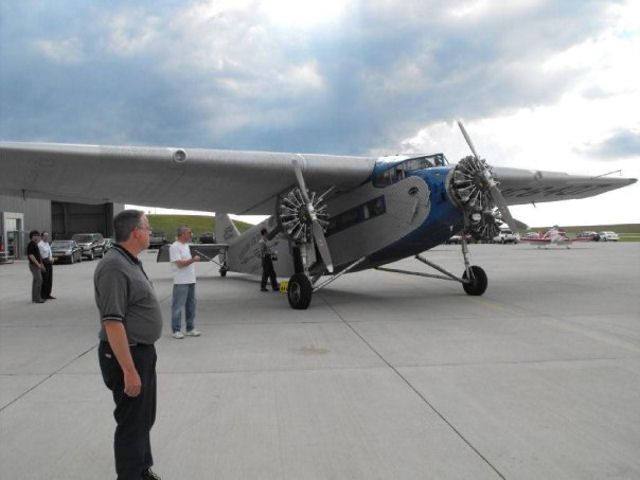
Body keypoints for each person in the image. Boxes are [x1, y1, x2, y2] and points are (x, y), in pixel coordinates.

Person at [94, 210, 163, 480]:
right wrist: (129, 370)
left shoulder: (129, 261)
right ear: (135, 232)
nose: (150, 232)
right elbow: (112, 322)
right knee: (132, 423)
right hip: (127, 355)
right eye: (147, 227)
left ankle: (142, 470)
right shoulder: (113, 266)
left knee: (143, 418)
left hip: (142, 351)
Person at [169, 225, 201, 339]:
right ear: (183, 234)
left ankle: (190, 328)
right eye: (189, 233)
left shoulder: (186, 246)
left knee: (191, 305)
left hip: (190, 280)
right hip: (181, 281)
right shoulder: (174, 247)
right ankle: (176, 330)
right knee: (178, 306)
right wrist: (193, 259)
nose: (191, 235)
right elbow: (179, 264)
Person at [27, 230, 45, 303]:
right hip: (34, 265)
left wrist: (41, 264)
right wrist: (38, 264)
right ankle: (37, 298)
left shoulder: (35, 244)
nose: (37, 237)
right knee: (39, 280)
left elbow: (37, 255)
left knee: (36, 281)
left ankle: (35, 298)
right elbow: (31, 255)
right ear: (32, 236)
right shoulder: (31, 244)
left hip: (35, 264)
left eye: (37, 235)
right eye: (35, 235)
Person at [259, 228, 279, 292]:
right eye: (267, 232)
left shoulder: (266, 241)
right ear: (264, 233)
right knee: (266, 273)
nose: (267, 233)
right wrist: (272, 253)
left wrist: (274, 244)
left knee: (272, 273)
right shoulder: (262, 242)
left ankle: (275, 286)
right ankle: (263, 287)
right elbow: (262, 252)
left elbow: (267, 248)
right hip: (265, 259)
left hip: (268, 258)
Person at [38, 231, 55, 300]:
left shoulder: (47, 243)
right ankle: (43, 295)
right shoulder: (40, 245)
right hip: (44, 262)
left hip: (49, 262)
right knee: (44, 279)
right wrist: (41, 265)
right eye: (45, 236)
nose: (46, 237)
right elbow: (39, 256)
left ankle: (48, 294)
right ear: (41, 237)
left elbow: (49, 252)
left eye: (47, 236)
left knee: (49, 279)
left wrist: (52, 259)